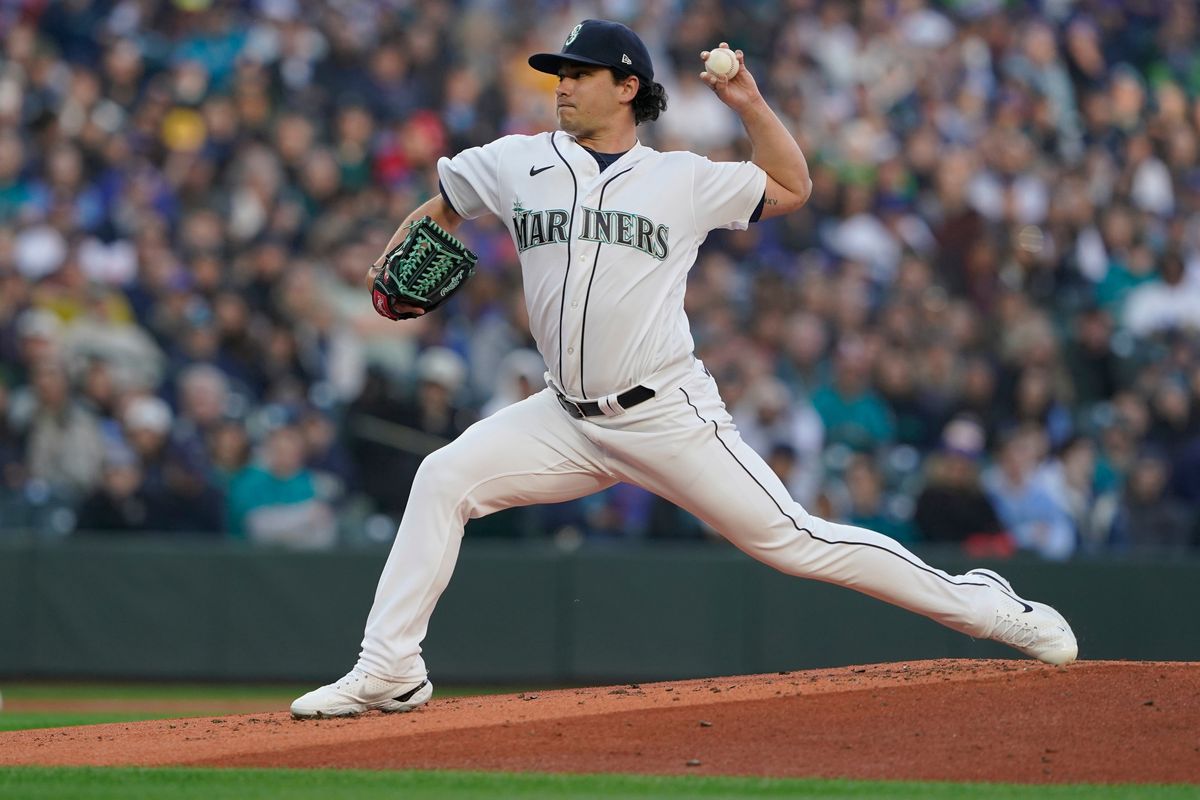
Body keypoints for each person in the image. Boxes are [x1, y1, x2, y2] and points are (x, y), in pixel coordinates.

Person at [292, 20, 1077, 719]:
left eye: (578, 73)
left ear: (627, 87)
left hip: (665, 413)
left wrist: (748, 103)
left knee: (796, 542)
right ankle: (389, 669)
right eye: (558, 72)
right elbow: (445, 201)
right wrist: (394, 261)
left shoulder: (683, 179)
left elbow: (793, 187)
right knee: (442, 478)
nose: (561, 84)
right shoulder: (515, 161)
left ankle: (983, 606)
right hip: (564, 417)